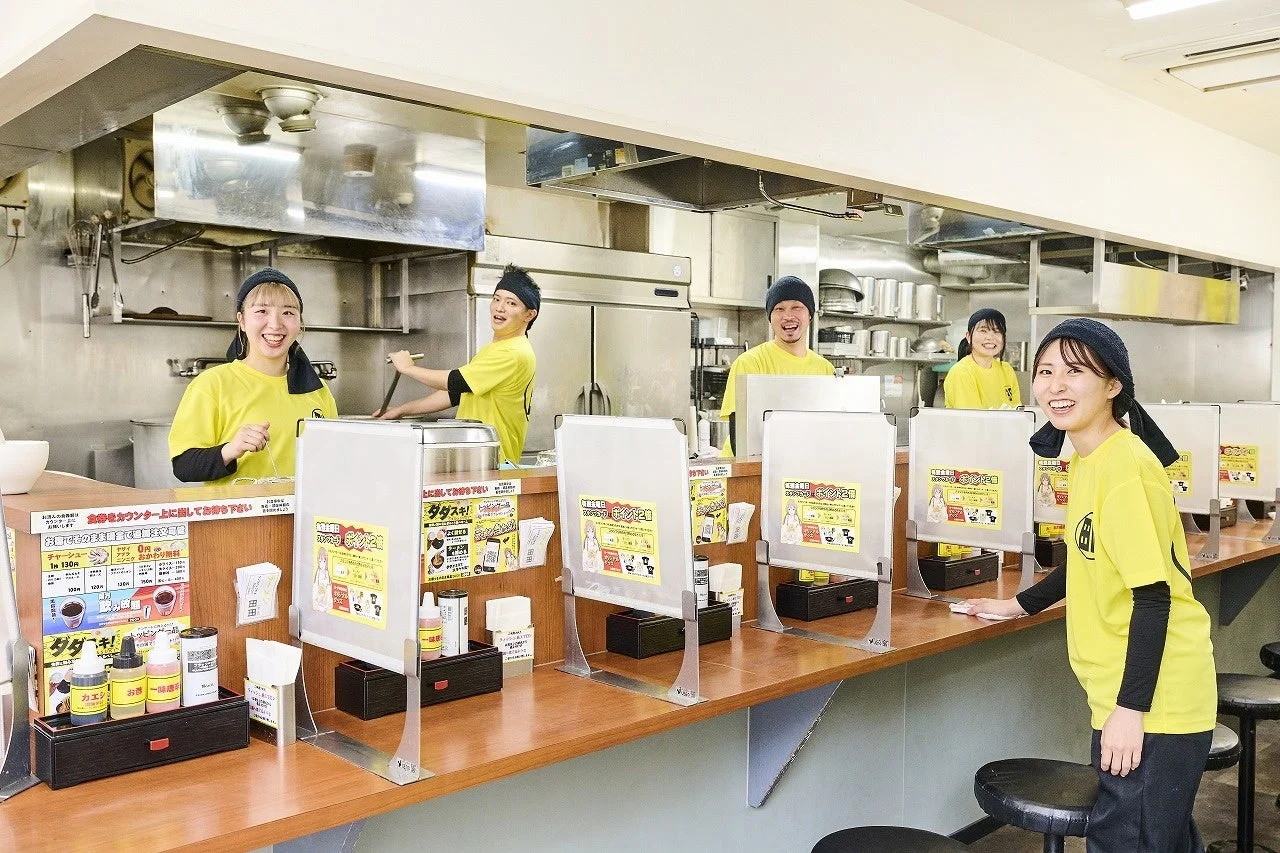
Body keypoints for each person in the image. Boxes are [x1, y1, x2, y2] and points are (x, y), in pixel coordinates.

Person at [962, 318, 1216, 853]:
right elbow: (1086, 556)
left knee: (1131, 842)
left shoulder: (1125, 469)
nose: (1056, 386)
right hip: (1130, 694)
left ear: (1113, 384)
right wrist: (1019, 605)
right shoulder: (1089, 460)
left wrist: (1131, 712)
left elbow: (1153, 595)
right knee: (1157, 840)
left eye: (1075, 371)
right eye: (1045, 371)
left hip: (1156, 702)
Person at [168, 268, 336, 485]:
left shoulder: (317, 390)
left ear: (300, 323)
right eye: (261, 311)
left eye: (288, 312)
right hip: (236, 518)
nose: (275, 325)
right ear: (242, 321)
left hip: (303, 517)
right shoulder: (212, 384)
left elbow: (333, 462)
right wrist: (231, 450)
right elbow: (184, 467)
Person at [379, 264, 538, 466]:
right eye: (496, 299)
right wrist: (403, 410)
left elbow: (456, 381)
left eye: (511, 303)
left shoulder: (515, 352)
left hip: (496, 462)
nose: (499, 307)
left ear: (529, 315)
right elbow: (457, 393)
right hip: (479, 459)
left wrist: (408, 368)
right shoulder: (496, 349)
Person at [719, 276, 834, 456]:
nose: (788, 316)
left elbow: (828, 430)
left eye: (797, 307)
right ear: (770, 318)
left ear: (810, 314)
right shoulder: (750, 363)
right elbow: (739, 441)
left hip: (800, 467)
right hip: (749, 472)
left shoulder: (825, 369)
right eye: (779, 309)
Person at [943, 308, 1021, 409]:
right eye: (983, 331)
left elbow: (1019, 413)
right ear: (968, 336)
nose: (990, 337)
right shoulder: (961, 372)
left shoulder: (1006, 370)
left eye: (997, 331)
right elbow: (972, 420)